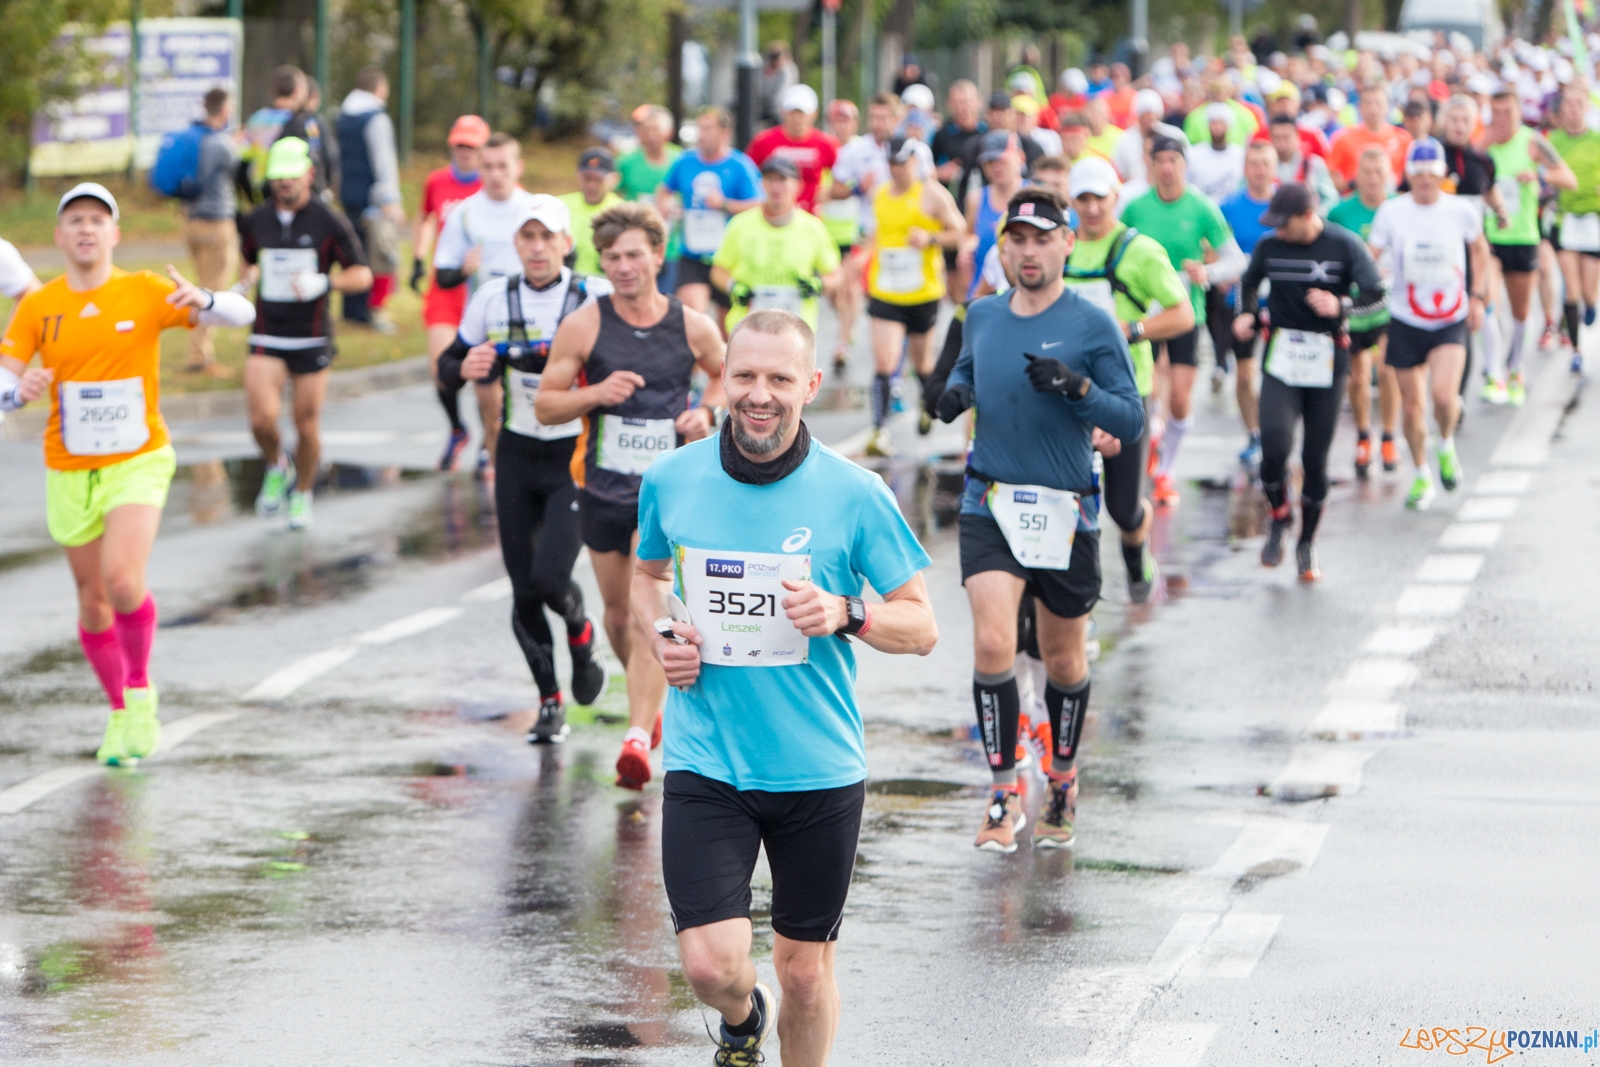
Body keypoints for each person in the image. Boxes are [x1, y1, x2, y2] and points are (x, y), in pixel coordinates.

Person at [634, 310, 935, 1067]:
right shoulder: (671, 478)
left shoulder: (855, 492)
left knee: (804, 972)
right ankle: (744, 1017)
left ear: (810, 384)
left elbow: (922, 624)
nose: (759, 394)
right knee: (710, 966)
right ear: (723, 378)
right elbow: (647, 578)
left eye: (778, 378)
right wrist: (664, 633)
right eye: (744, 375)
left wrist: (846, 612)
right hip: (708, 761)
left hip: (817, 766)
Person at [0, 183, 254, 764]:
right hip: (69, 466)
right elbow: (3, 382)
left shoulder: (145, 290)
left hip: (138, 458)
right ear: (59, 236)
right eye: (75, 220)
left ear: (115, 234)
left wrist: (204, 298)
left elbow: (243, 314)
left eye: (98, 219)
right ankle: (119, 708)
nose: (86, 229)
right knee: (92, 602)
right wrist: (18, 391)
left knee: (121, 580)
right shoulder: (39, 306)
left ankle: (139, 688)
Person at [934, 186, 1143, 853]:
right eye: (1017, 240)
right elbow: (962, 374)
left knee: (1062, 658)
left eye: (1042, 239)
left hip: (1065, 508)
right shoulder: (983, 314)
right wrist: (954, 394)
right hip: (990, 501)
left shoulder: (1092, 324)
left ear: (1067, 244)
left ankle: (1062, 778)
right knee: (994, 644)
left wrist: (1079, 389)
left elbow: (1130, 418)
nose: (1029, 252)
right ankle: (1002, 791)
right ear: (1002, 248)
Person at [535, 202, 727, 790]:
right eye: (612, 257)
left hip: (665, 492)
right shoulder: (585, 325)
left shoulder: (690, 324)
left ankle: (637, 735)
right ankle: (650, 703)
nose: (623, 267)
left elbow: (725, 374)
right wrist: (595, 395)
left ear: (657, 256)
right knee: (619, 616)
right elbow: (546, 405)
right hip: (601, 486)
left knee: (653, 610)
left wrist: (705, 411)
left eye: (634, 255)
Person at [436, 195, 610, 740]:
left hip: (572, 458)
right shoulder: (492, 297)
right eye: (527, 237)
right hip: (515, 455)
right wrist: (463, 366)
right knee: (523, 592)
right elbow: (447, 365)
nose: (537, 248)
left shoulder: (594, 297)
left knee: (550, 578)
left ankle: (580, 632)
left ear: (566, 243)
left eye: (547, 237)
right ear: (515, 243)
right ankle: (549, 702)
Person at [1233, 183, 1385, 581]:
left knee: (1315, 461)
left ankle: (1306, 542)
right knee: (1273, 446)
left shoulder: (1344, 245)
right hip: (1282, 360)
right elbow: (1248, 284)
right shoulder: (1269, 246)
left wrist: (1341, 305)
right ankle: (1279, 516)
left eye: (1285, 225)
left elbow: (1377, 294)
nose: (1279, 232)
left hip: (1326, 363)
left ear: (1307, 215)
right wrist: (1247, 313)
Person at [1065, 158, 1194, 603]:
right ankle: (1074, 599)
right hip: (1065, 391)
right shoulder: (1059, 246)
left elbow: (1182, 314)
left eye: (1099, 198)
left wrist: (1132, 330)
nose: (1091, 208)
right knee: (1064, 498)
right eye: (1083, 198)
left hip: (1124, 390)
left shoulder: (1140, 250)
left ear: (1115, 198)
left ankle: (1137, 553)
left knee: (1122, 508)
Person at [239, 138, 373, 530]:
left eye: (291, 175)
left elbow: (362, 274)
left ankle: (302, 492)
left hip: (311, 336)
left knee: (305, 424)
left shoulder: (328, 221)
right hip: (267, 333)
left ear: (309, 175)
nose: (284, 183)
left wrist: (325, 282)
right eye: (278, 176)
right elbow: (248, 261)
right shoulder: (257, 219)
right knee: (261, 420)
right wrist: (245, 281)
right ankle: (276, 465)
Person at [1120, 134, 1247, 506]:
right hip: (1143, 313)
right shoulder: (1135, 207)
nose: (1166, 168)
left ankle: (1167, 466)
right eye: (1159, 160)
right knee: (1146, 391)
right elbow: (1116, 251)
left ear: (1184, 165)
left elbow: (1235, 260)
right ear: (1150, 164)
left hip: (1185, 313)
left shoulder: (1201, 207)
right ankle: (1157, 460)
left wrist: (1206, 272)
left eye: (1173, 160)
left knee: (1178, 398)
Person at [1367, 138, 1489, 511]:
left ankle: (1446, 444)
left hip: (1449, 317)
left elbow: (1480, 249)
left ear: (1442, 175)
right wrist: (1370, 277)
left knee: (1444, 398)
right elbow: (1370, 255)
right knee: (1413, 408)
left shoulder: (1460, 211)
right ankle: (1421, 473)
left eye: (1431, 173)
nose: (1425, 180)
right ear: (1408, 175)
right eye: (1418, 173)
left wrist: (1477, 296)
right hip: (1406, 318)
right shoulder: (1392, 212)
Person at [432, 132, 541, 476]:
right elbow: (443, 275)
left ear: (518, 167)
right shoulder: (465, 214)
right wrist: (462, 269)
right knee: (492, 410)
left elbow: (565, 260)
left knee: (530, 412)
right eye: (488, 166)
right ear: (479, 168)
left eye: (503, 166)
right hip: (486, 328)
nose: (495, 174)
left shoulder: (536, 209)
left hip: (536, 326)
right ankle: (497, 469)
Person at [863, 136, 966, 457]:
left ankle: (926, 404)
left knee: (922, 362)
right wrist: (861, 257)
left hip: (922, 293)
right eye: (892, 163)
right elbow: (878, 233)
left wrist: (931, 237)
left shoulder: (931, 193)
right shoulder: (880, 194)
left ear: (914, 161)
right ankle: (879, 431)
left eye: (902, 163)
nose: (897, 170)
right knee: (885, 360)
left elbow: (960, 232)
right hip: (886, 289)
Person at [1481, 89, 1574, 405]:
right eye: (1496, 113)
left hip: (1523, 237)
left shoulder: (1532, 142)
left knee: (1520, 311)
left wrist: (1538, 173)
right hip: (1490, 238)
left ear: (1519, 113)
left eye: (1507, 112)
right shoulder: (1484, 142)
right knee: (1488, 302)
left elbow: (1568, 177)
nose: (1501, 119)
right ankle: (1494, 373)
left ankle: (1515, 369)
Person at [414, 114, 489, 471]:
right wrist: (417, 257)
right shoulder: (437, 181)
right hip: (446, 286)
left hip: (482, 289)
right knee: (442, 367)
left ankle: (490, 441)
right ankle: (457, 429)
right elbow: (425, 217)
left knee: (485, 372)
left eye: (472, 146)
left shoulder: (493, 186)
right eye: (460, 145)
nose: (465, 151)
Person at [1328, 145, 1401, 477]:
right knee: (1357, 378)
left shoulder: (1399, 208)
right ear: (1357, 176)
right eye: (1367, 172)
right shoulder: (1340, 213)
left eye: (1379, 173)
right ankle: (1363, 437)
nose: (1373, 179)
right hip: (1355, 307)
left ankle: (1389, 437)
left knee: (1387, 370)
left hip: (1390, 306)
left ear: (1389, 176)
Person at [657, 107, 764, 330]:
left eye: (707, 128)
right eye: (699, 128)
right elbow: (664, 190)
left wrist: (724, 204)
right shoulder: (685, 161)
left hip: (727, 257)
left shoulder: (739, 165)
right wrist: (667, 205)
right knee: (692, 319)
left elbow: (758, 206)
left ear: (725, 132)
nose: (701, 134)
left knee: (728, 330)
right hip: (692, 254)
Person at [711, 156, 841, 334]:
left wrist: (818, 284)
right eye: (770, 179)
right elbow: (718, 271)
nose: (776, 186)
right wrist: (733, 286)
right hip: (748, 329)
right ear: (761, 184)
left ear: (797, 185)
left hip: (796, 331)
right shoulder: (740, 225)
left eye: (782, 180)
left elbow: (835, 274)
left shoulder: (812, 228)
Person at [1216, 141, 1280, 462]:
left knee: (1279, 373)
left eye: (1265, 164)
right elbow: (1212, 247)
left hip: (1282, 299)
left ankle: (1279, 433)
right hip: (1242, 299)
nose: (1259, 170)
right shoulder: (1229, 206)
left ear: (1274, 168)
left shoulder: (1285, 203)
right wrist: (1221, 270)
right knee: (1245, 374)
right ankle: (1254, 435)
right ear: (1244, 168)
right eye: (1254, 164)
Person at [825, 95, 893, 372]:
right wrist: (857, 187)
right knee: (846, 288)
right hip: (862, 231)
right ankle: (844, 341)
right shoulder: (854, 151)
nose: (878, 123)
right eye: (874, 117)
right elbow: (834, 190)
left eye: (883, 118)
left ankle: (890, 358)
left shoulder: (909, 149)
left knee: (880, 294)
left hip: (894, 235)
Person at [337, 67, 405, 331]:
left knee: (353, 253)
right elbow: (383, 161)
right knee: (376, 256)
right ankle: (369, 311)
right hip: (372, 200)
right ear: (379, 88)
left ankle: (352, 310)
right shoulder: (376, 118)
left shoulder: (343, 117)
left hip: (348, 196)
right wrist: (390, 199)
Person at [182, 86, 240, 377]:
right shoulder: (221, 143)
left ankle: (199, 352)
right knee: (212, 295)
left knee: (202, 289)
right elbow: (242, 171)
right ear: (225, 109)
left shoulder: (195, 138)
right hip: (216, 224)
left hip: (191, 222)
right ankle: (199, 357)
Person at [1547, 84, 1600, 374]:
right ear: (1562, 108)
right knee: (1572, 290)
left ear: (1587, 107)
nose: (1574, 108)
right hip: (1564, 219)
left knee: (1589, 292)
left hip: (1593, 219)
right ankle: (1577, 350)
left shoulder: (1597, 139)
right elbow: (1540, 170)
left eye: (1579, 103)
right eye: (1569, 103)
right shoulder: (1552, 140)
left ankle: (1592, 304)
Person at [616, 104, 683, 293]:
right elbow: (613, 195)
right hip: (635, 244)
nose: (651, 136)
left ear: (668, 132)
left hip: (672, 246)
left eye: (656, 130)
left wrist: (680, 210)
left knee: (667, 299)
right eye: (646, 130)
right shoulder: (627, 162)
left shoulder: (680, 159)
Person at [746, 84, 840, 216]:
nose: (797, 118)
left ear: (814, 114)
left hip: (810, 217)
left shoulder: (826, 144)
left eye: (802, 113)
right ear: (782, 111)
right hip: (773, 217)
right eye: (792, 112)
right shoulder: (763, 141)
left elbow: (846, 175)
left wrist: (831, 191)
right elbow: (746, 175)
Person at [963, 131, 1026, 301]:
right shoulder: (976, 198)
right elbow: (969, 234)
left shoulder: (1035, 196)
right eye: (989, 162)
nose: (996, 167)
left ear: (1020, 158)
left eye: (1002, 160)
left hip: (1022, 293)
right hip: (983, 293)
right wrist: (966, 248)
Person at [1327, 83, 1411, 191]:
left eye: (1378, 103)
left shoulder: (1403, 138)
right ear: (1359, 107)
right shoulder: (1343, 138)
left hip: (1393, 197)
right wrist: (1351, 184)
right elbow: (1329, 176)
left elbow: (1411, 175)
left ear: (1387, 107)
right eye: (1368, 103)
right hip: (1356, 197)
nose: (1373, 108)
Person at [558, 146, 624, 276]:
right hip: (565, 279)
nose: (591, 185)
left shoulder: (622, 212)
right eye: (586, 178)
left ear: (614, 179)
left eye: (598, 179)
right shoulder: (560, 205)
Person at [243, 66, 305, 197]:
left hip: (256, 188)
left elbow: (244, 155)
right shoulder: (296, 121)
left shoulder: (256, 119)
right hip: (285, 188)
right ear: (297, 91)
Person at [278, 76, 335, 201]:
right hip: (314, 188)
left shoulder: (288, 122)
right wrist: (326, 185)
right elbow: (330, 155)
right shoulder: (314, 122)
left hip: (288, 189)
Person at [1112, 89, 1186, 185]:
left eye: (1151, 115)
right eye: (1144, 115)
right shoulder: (1125, 139)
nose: (1148, 119)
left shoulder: (1175, 134)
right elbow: (1119, 171)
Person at [1269, 115, 1338, 215]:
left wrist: (1316, 215)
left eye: (1286, 137)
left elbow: (1331, 199)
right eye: (1277, 138)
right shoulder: (1263, 166)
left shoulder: (1313, 164)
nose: (1282, 143)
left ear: (1297, 137)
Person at [1187, 103, 1245, 202]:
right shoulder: (1193, 153)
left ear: (1228, 125)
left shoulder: (1241, 155)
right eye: (1213, 122)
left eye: (1221, 123)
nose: (1217, 127)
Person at [757, 41, 798, 127]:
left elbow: (781, 94)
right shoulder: (763, 68)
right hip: (762, 106)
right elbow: (758, 89)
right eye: (773, 57)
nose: (775, 60)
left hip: (780, 109)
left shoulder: (787, 71)